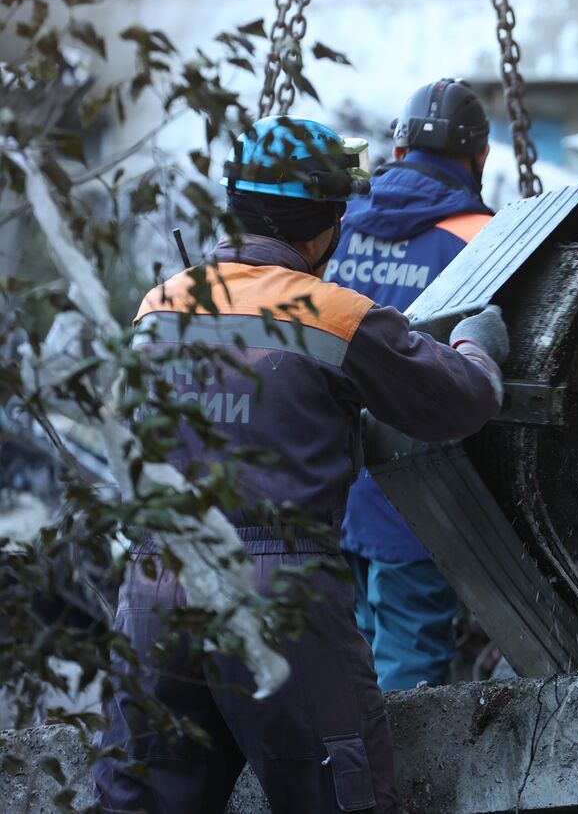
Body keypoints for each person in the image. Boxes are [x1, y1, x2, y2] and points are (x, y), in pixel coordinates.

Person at [96, 115, 509, 813]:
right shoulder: (333, 315)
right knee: (336, 796)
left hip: (155, 588)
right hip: (279, 594)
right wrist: (479, 344)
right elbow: (459, 403)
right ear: (327, 223)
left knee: (142, 798)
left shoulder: (159, 304)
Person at [330, 78, 496, 691]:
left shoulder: (334, 224)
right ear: (480, 157)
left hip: (331, 479)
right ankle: (392, 786)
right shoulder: (486, 237)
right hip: (423, 489)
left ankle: (342, 779)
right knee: (409, 666)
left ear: (398, 154)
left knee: (348, 651)